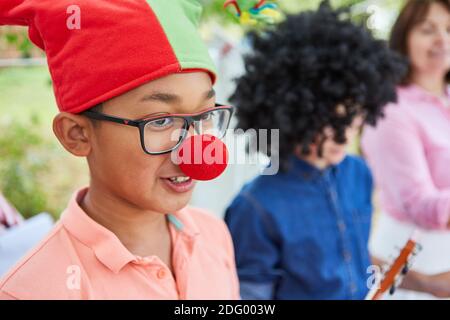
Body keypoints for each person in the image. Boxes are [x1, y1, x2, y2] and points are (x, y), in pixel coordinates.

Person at [0, 0, 239, 299]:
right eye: (161, 120)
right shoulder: (34, 291)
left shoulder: (213, 234)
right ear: (77, 135)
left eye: (204, 116)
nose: (195, 151)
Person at [225, 1, 450, 299]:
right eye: (326, 117)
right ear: (290, 110)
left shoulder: (357, 174)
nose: (343, 133)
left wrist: (425, 283)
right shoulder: (255, 208)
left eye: (352, 112)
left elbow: (351, 263)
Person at [362, 0, 450, 299]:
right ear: (404, 38)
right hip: (412, 270)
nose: (443, 39)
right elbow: (419, 203)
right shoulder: (390, 110)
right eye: (429, 30)